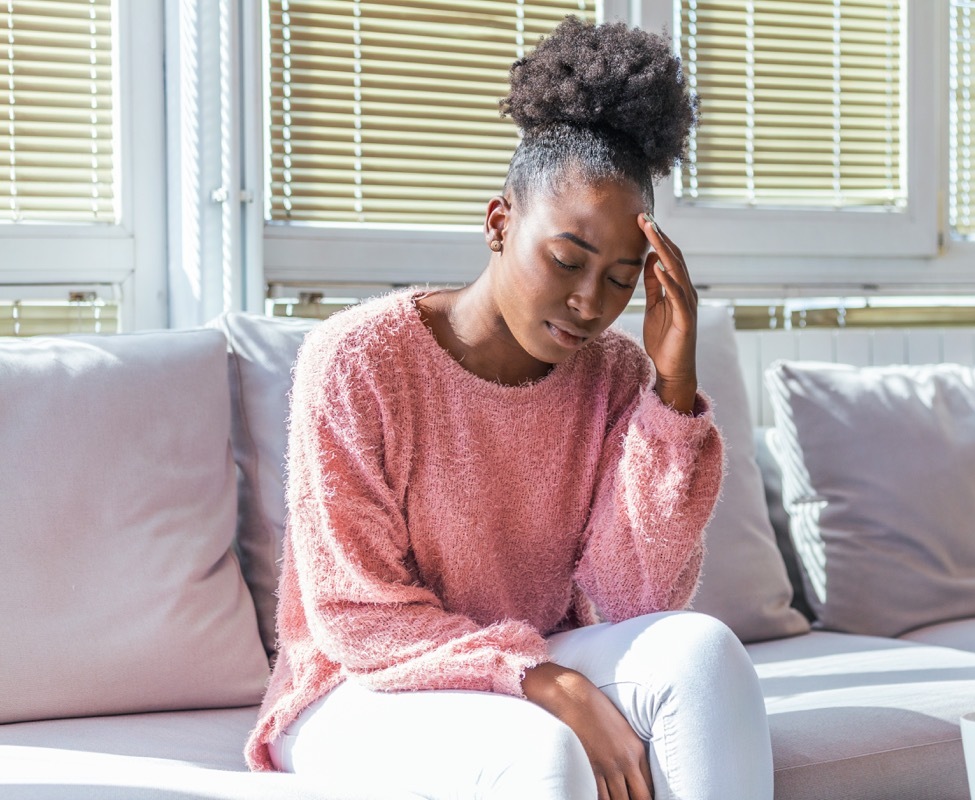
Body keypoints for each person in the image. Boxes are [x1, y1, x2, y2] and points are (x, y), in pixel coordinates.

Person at [244, 16, 773, 800]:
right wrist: (544, 681)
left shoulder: (615, 374)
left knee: (703, 654)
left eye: (624, 278)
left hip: (533, 656)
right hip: (355, 688)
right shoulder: (357, 361)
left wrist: (670, 392)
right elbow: (360, 616)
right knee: (545, 754)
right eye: (567, 260)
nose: (591, 301)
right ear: (499, 223)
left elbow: (633, 604)